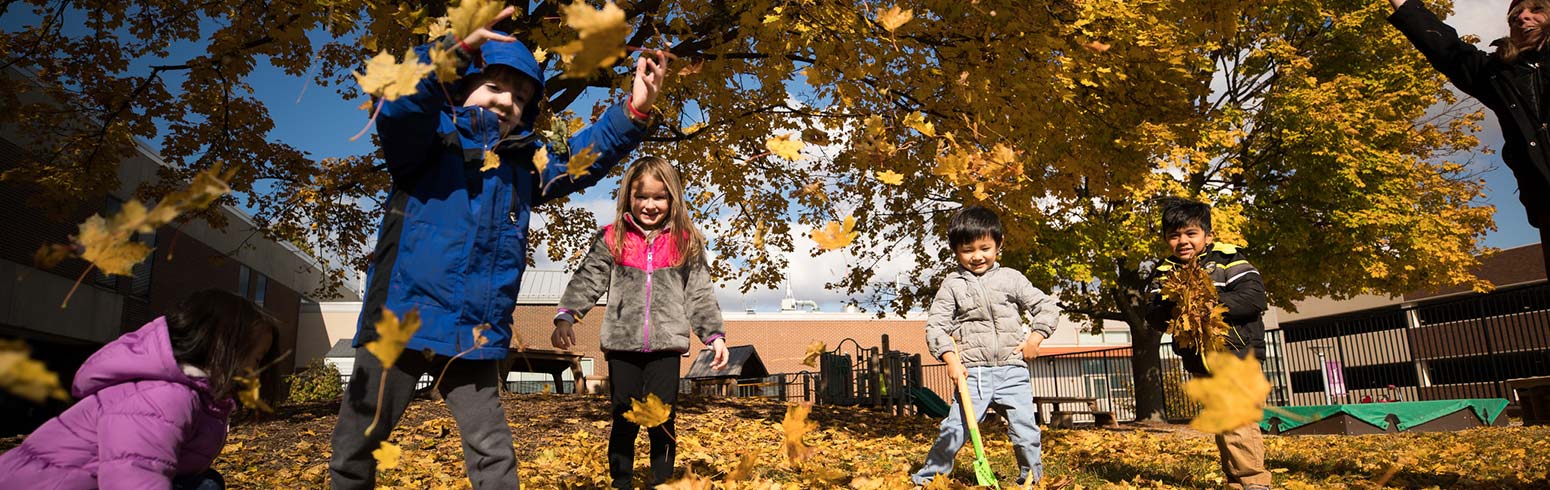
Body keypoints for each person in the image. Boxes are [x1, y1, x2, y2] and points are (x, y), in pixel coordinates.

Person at [328, 8, 670, 489]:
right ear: (461, 87)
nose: (508, 101)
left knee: (493, 453)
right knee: (358, 445)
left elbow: (579, 158)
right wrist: (452, 55)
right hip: (399, 324)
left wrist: (631, 112)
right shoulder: (426, 146)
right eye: (495, 87)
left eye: (521, 97)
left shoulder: (523, 167)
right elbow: (401, 102)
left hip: (475, 334)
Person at [551, 156, 728, 488]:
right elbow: (588, 279)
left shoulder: (685, 240)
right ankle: (622, 482)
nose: (650, 205)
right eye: (641, 197)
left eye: (659, 197)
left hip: (666, 346)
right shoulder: (612, 238)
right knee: (625, 418)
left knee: (661, 418)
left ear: (672, 198)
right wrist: (567, 316)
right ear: (628, 197)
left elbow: (699, 292)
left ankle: (661, 481)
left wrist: (713, 335)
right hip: (623, 345)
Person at [0, 289, 280, 490]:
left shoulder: (194, 394)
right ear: (223, 347)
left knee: (205, 482)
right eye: (255, 357)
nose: (256, 368)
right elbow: (133, 473)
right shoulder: (163, 396)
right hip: (46, 482)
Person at [1388, 0, 1550, 269]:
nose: (1522, 17)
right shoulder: (1498, 74)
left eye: (1536, 10)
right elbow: (1447, 50)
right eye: (1515, 16)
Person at [910, 205, 1059, 487]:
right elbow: (937, 326)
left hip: (1012, 372)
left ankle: (1033, 479)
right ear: (955, 250)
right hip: (973, 374)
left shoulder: (1011, 279)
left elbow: (1046, 307)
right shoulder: (952, 285)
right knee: (955, 428)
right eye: (968, 250)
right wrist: (951, 359)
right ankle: (927, 478)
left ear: (998, 245)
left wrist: (1035, 338)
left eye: (984, 247)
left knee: (1026, 430)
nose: (977, 256)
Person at [1145, 198, 1271, 490]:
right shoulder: (1165, 271)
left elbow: (1253, 298)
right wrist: (1177, 310)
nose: (1183, 241)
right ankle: (1237, 481)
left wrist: (1209, 304)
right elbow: (1153, 314)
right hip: (1199, 359)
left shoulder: (1229, 259)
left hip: (1238, 352)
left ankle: (1254, 482)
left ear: (1208, 236)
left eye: (1191, 234)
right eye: (1175, 236)